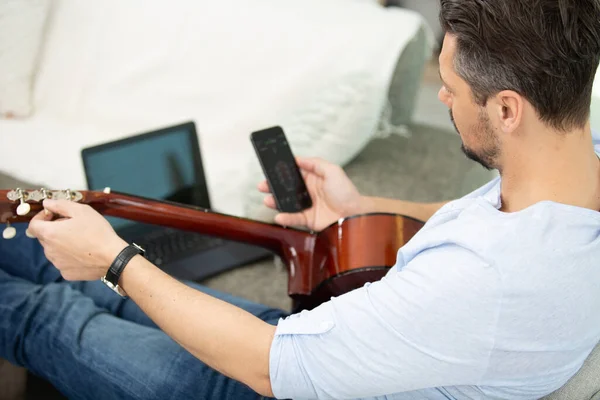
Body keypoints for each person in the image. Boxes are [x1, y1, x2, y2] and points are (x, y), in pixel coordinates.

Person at [2, 0, 600, 398]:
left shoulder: (487, 279)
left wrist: (113, 260)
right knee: (74, 272)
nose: (441, 98)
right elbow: (479, 213)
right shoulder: (573, 159)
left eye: (451, 89)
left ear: (506, 109)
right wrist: (360, 205)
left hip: (280, 375)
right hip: (347, 342)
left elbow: (267, 365)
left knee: (47, 315)